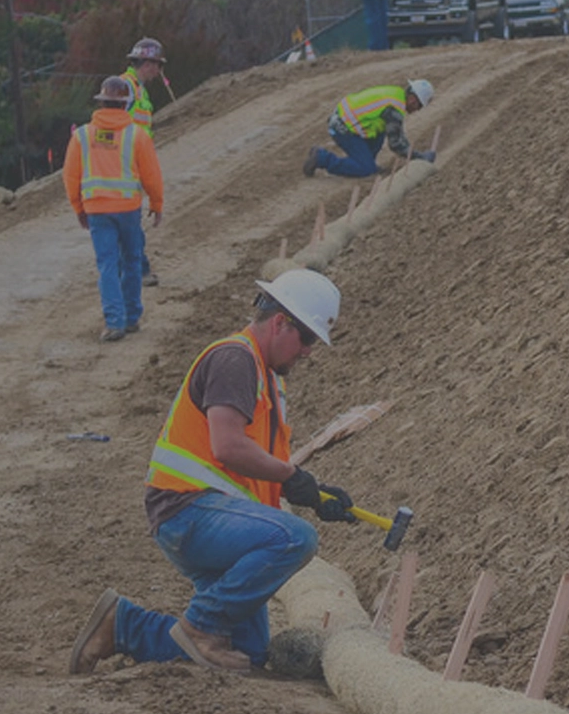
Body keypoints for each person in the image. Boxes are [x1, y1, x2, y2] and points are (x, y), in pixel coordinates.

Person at [68, 268, 361, 675]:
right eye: (308, 338)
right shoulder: (235, 360)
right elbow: (228, 446)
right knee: (297, 538)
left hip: (213, 518)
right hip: (187, 509)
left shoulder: (262, 375)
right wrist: (290, 477)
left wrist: (309, 491)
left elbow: (252, 465)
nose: (309, 351)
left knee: (247, 655)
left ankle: (122, 626)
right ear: (280, 322)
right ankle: (202, 623)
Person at [63, 76, 164, 343]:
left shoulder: (82, 136)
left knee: (107, 265)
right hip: (128, 209)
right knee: (131, 262)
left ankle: (114, 322)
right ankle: (131, 318)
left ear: (101, 102)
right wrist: (157, 204)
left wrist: (78, 208)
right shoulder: (136, 135)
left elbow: (70, 176)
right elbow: (151, 175)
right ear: (125, 104)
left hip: (97, 210)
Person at [301, 79, 436, 179]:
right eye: (419, 106)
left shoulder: (395, 94)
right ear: (413, 100)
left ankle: (366, 159)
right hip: (344, 127)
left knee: (382, 129)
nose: (417, 110)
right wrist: (420, 157)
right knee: (366, 169)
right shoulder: (394, 109)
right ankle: (322, 158)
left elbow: (395, 133)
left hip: (344, 117)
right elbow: (396, 144)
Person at [122, 38, 168, 287]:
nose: (158, 71)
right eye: (157, 65)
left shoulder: (137, 89)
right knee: (129, 221)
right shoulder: (127, 87)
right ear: (147, 63)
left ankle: (137, 266)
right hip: (126, 165)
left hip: (134, 163)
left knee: (129, 220)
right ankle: (138, 267)